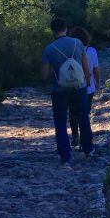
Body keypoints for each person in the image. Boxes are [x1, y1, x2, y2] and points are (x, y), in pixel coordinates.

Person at [41, 18, 92, 166]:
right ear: (66, 28)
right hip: (79, 87)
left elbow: (44, 75)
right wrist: (87, 82)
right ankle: (88, 149)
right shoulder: (78, 43)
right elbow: (85, 67)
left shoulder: (49, 49)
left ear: (52, 30)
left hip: (59, 90)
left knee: (60, 122)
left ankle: (65, 156)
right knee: (83, 117)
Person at [68, 27, 99, 150]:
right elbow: (96, 70)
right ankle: (84, 141)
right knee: (84, 113)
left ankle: (75, 136)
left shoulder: (70, 52)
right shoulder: (91, 51)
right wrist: (97, 83)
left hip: (71, 87)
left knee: (72, 112)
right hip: (88, 87)